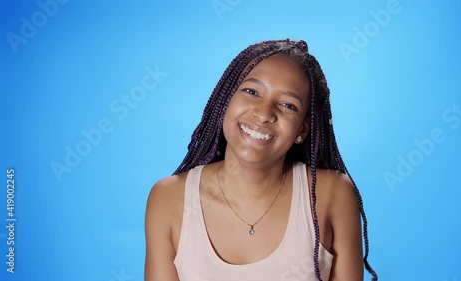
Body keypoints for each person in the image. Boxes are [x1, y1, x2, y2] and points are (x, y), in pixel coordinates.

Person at [144, 39, 377, 281]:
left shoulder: (332, 194)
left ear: (302, 130)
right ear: (226, 100)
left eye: (288, 105)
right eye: (251, 91)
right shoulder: (169, 199)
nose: (264, 114)